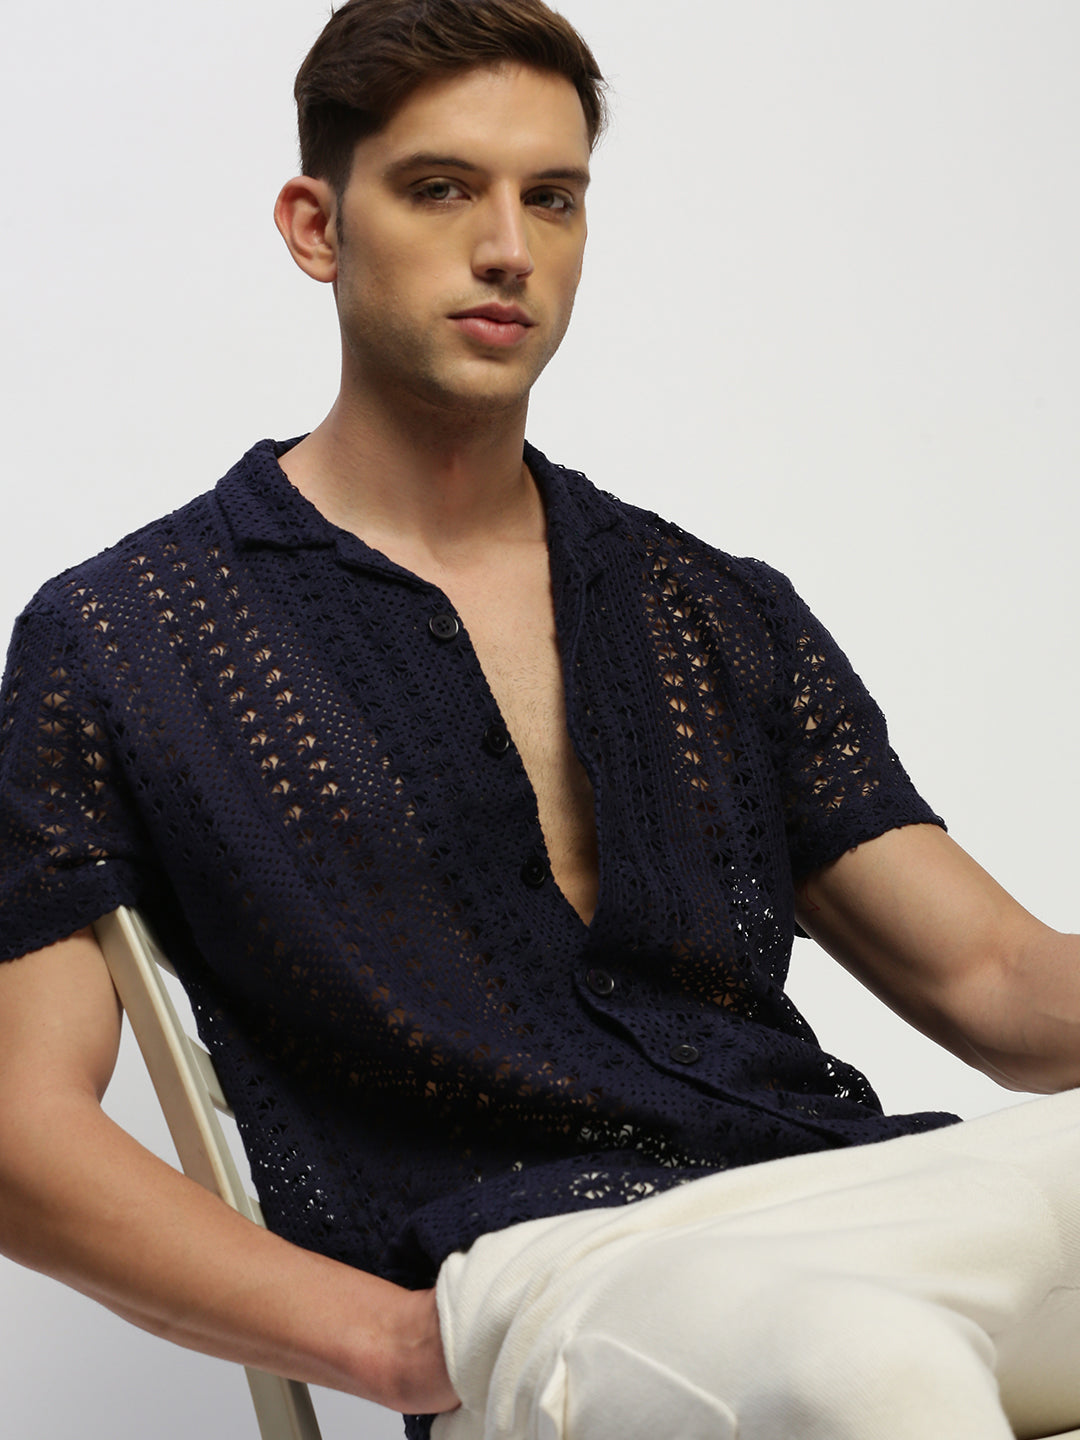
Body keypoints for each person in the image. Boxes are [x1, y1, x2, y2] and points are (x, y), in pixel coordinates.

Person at [0, 2, 1078, 1438]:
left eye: (552, 198)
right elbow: (19, 1127)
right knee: (858, 1363)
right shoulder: (124, 639)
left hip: (847, 1199)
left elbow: (996, 979)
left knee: (873, 1311)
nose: (508, 247)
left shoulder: (714, 608)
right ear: (318, 227)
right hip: (544, 1276)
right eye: (442, 188)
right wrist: (392, 1344)